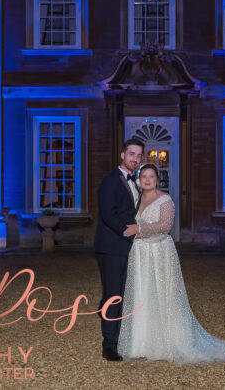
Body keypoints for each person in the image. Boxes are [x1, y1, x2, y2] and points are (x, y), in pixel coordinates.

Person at [117, 163, 225, 364]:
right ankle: (141, 343)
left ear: (157, 179)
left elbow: (165, 225)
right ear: (139, 180)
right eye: (144, 177)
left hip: (160, 252)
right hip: (140, 253)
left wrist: (139, 230)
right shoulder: (136, 199)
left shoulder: (165, 200)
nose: (148, 180)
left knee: (162, 294)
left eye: (151, 176)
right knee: (142, 293)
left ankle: (166, 342)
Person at [94, 138, 144, 362]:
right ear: (122, 154)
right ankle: (109, 346)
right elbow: (108, 214)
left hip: (127, 247)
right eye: (131, 154)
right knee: (115, 297)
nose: (135, 158)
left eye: (139, 155)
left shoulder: (137, 181)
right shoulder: (110, 180)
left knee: (121, 293)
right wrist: (129, 231)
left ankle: (116, 331)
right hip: (111, 247)